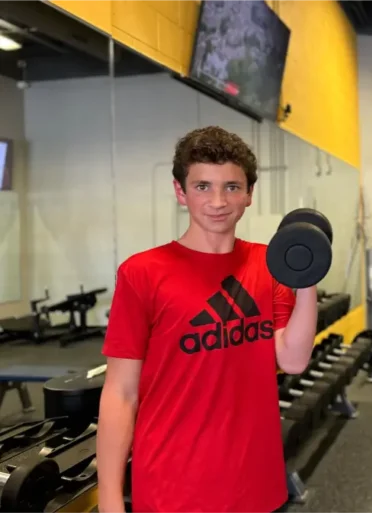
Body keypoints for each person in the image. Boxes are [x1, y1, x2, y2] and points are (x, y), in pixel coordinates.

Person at [96, 126, 318, 513]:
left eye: (232, 187)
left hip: (256, 483)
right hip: (174, 486)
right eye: (202, 187)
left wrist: (308, 277)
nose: (218, 201)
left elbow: (293, 359)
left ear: (250, 193)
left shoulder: (268, 266)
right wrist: (111, 500)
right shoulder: (142, 273)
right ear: (180, 192)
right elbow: (120, 392)